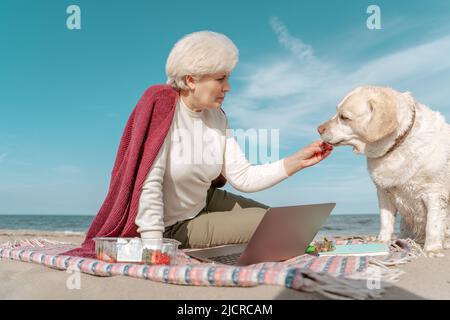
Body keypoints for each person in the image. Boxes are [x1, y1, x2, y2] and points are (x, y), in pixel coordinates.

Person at [64, 31, 332, 258]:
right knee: (273, 226)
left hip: (205, 199)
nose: (228, 87)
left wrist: (297, 161)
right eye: (220, 79)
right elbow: (149, 183)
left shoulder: (217, 117)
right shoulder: (161, 106)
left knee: (284, 221)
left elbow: (244, 176)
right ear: (191, 80)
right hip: (174, 224)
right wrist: (155, 248)